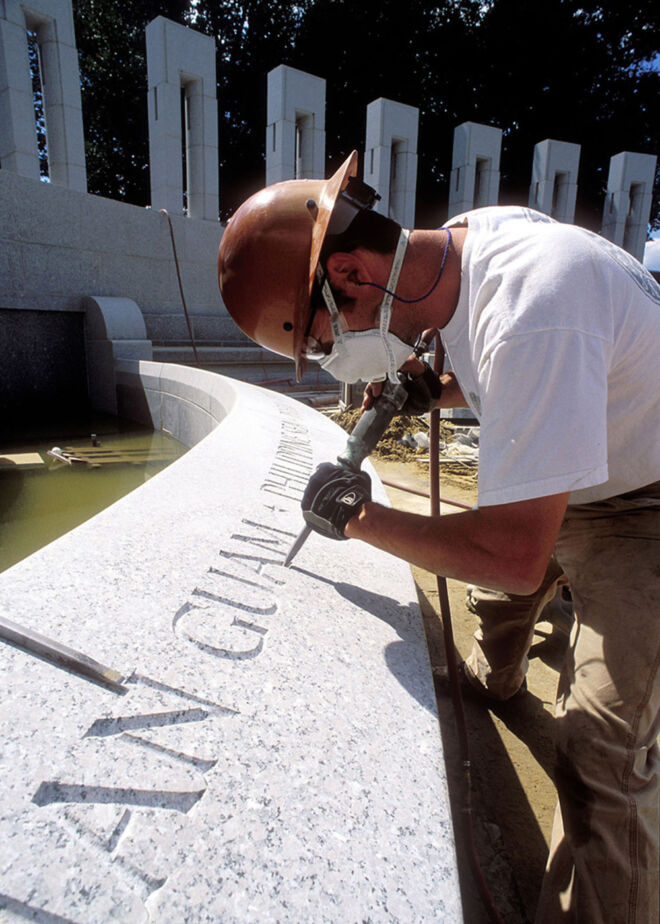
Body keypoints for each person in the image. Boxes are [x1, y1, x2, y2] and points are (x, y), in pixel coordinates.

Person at [218, 151, 660, 923]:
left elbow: (517, 557)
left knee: (601, 756)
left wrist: (361, 516)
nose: (335, 366)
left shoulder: (532, 306)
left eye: (325, 344)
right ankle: (502, 675)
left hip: (645, 503)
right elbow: (504, 358)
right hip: (585, 456)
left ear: (353, 275)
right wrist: (437, 384)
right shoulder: (464, 246)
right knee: (492, 633)